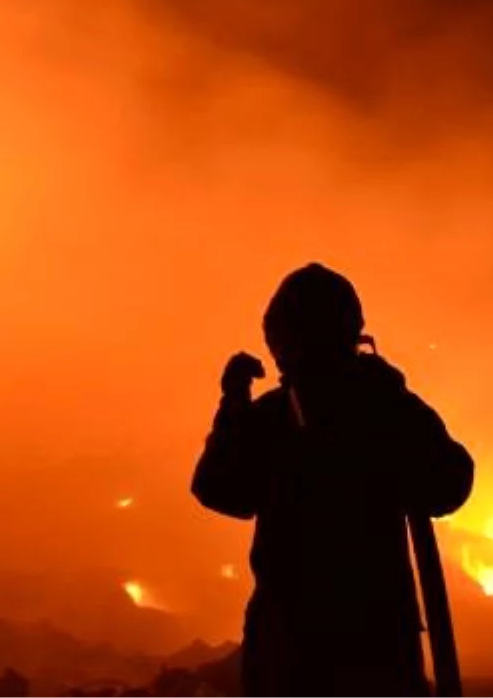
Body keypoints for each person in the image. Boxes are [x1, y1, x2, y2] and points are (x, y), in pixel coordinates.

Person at [191, 263, 474, 698]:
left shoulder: (285, 417)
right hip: (372, 648)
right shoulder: (382, 408)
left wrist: (233, 406)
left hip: (299, 652)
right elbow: (450, 482)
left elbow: (220, 489)